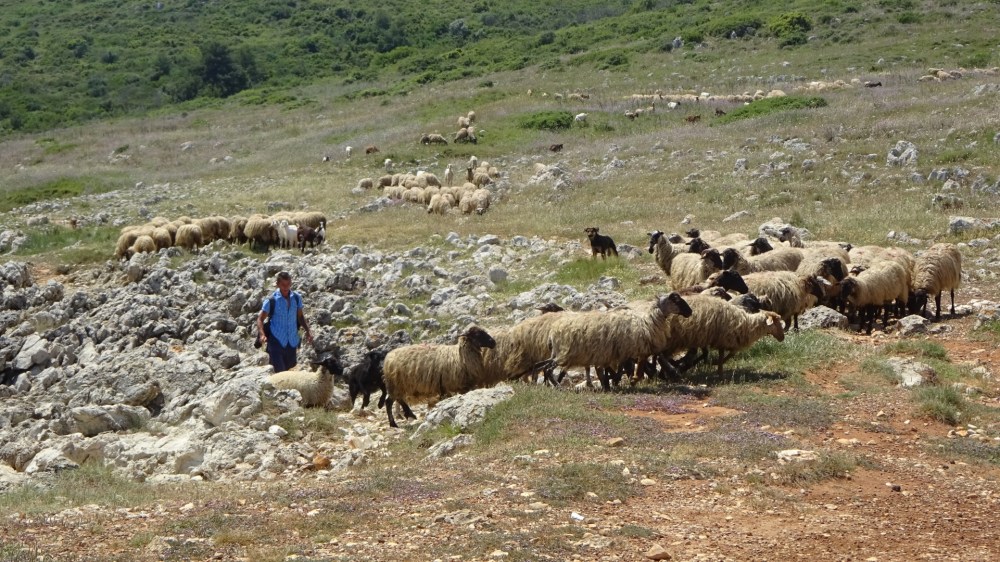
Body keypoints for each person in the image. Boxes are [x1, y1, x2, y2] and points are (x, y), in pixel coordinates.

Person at [257, 271, 314, 372]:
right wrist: (262, 334)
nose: (286, 288)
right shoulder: (271, 300)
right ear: (278, 284)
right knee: (280, 374)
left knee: (290, 374)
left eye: (288, 284)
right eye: (283, 285)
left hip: (292, 343)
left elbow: (300, 317)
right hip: (276, 342)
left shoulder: (296, 298)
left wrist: (308, 331)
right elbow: (260, 319)